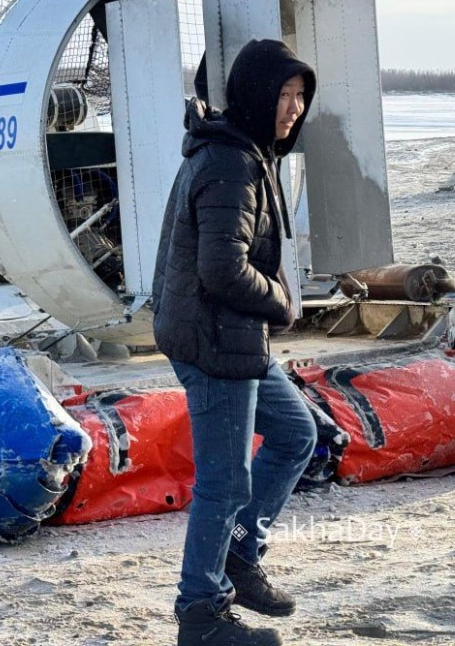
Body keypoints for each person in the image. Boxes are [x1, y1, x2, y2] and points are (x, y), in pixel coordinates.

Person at [152, 39, 319, 646]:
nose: (293, 108)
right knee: (224, 480)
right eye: (283, 94)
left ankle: (239, 558)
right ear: (254, 94)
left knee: (297, 434)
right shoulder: (230, 162)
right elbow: (221, 268)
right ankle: (201, 614)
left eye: (300, 96)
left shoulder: (247, 151)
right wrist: (281, 302)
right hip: (214, 338)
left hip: (231, 335)